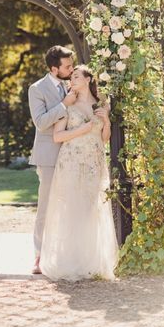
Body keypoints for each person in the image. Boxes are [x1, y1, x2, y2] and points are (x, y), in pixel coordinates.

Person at [39, 65, 119, 281]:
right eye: (70, 77)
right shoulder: (66, 105)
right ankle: (70, 260)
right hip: (72, 160)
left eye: (75, 76)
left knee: (90, 207)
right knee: (73, 207)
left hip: (94, 160)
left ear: (87, 79)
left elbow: (104, 138)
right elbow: (57, 136)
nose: (71, 80)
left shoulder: (100, 105)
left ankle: (91, 261)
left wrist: (107, 121)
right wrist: (81, 130)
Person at [28, 45, 75, 275]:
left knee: (70, 205)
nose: (71, 69)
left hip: (72, 155)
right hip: (48, 156)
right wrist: (64, 105)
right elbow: (40, 121)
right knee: (45, 206)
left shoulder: (73, 84)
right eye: (67, 66)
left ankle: (64, 252)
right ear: (54, 69)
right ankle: (39, 255)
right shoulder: (36, 89)